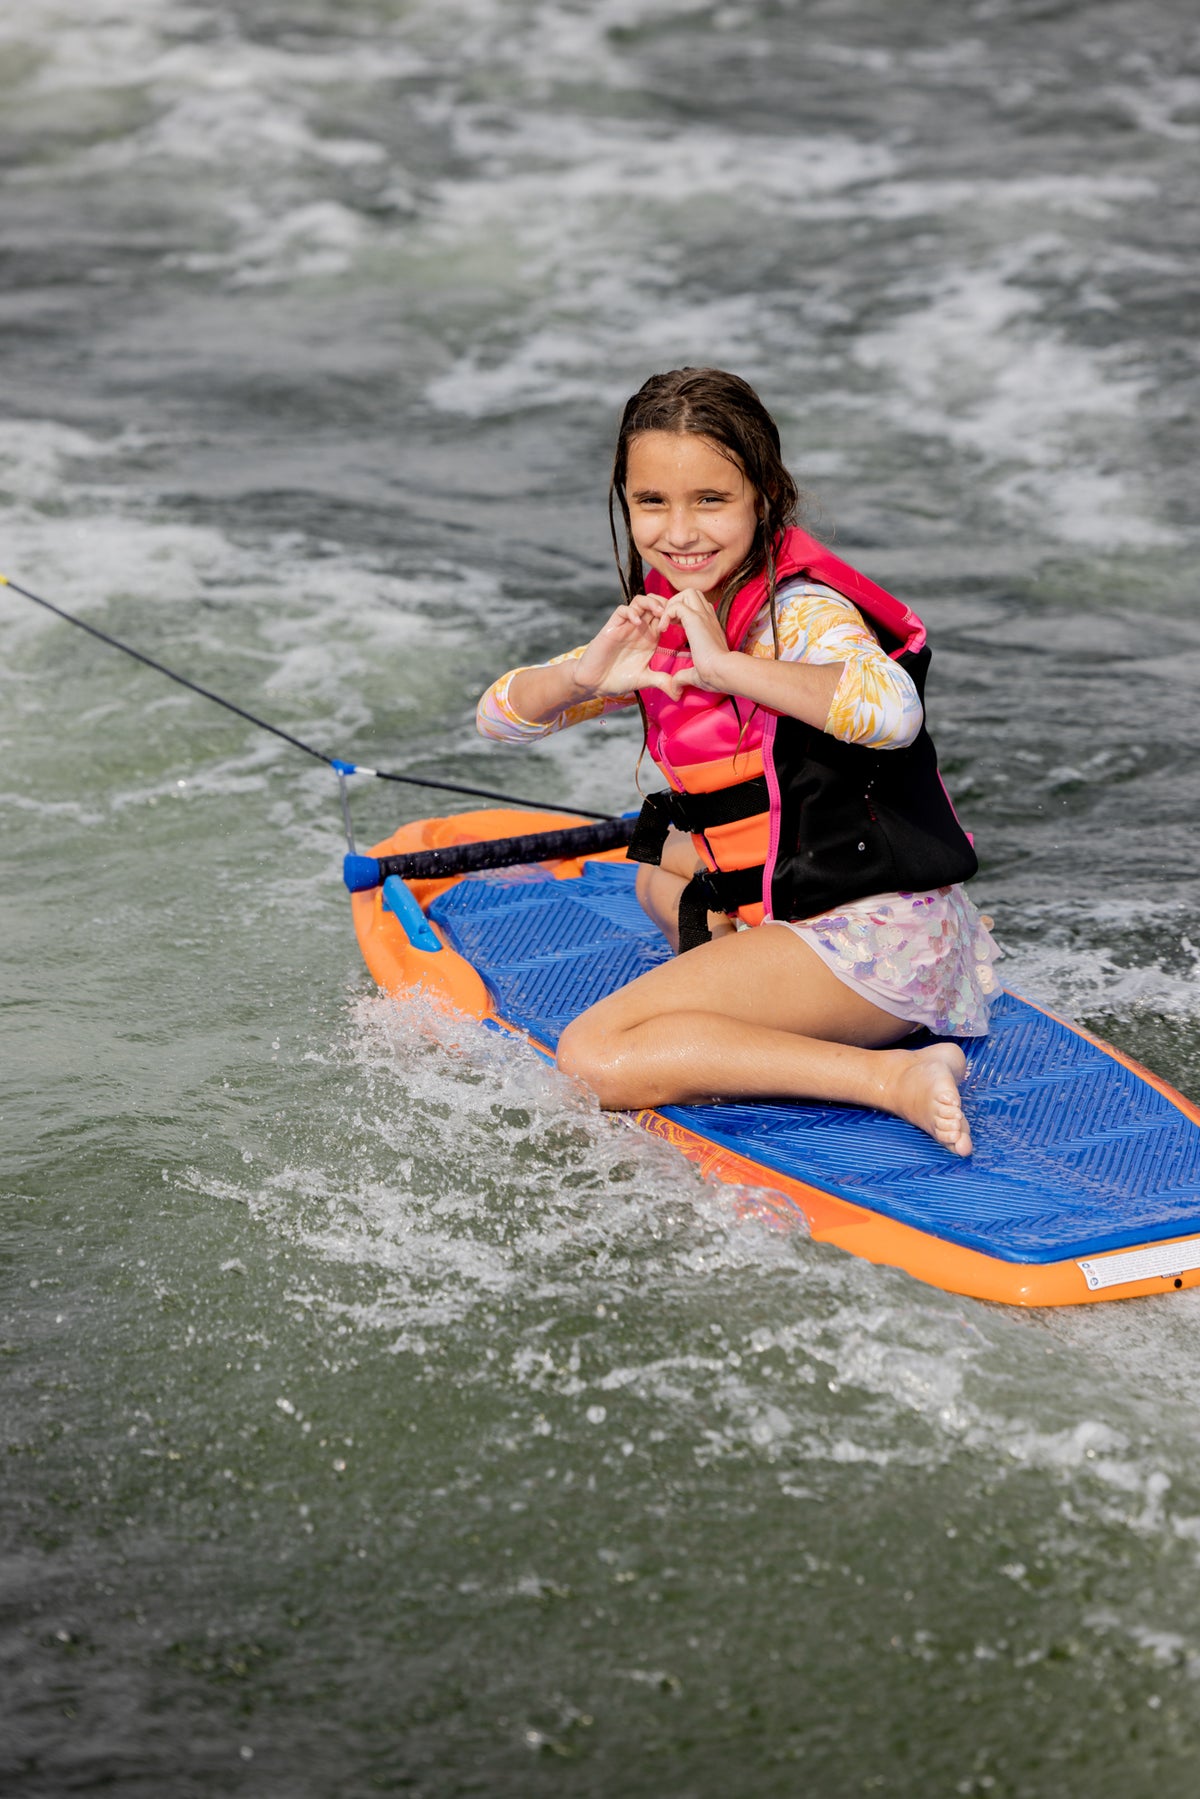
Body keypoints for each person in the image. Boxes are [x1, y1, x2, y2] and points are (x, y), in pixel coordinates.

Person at [476, 368, 997, 1156]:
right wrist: (582, 680)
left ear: (765, 495)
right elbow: (498, 717)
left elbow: (893, 710)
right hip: (808, 908)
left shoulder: (799, 610)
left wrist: (727, 669)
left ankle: (894, 1078)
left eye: (710, 501)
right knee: (658, 873)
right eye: (652, 502)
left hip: (875, 941)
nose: (679, 532)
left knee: (595, 1055)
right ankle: (763, 985)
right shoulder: (681, 611)